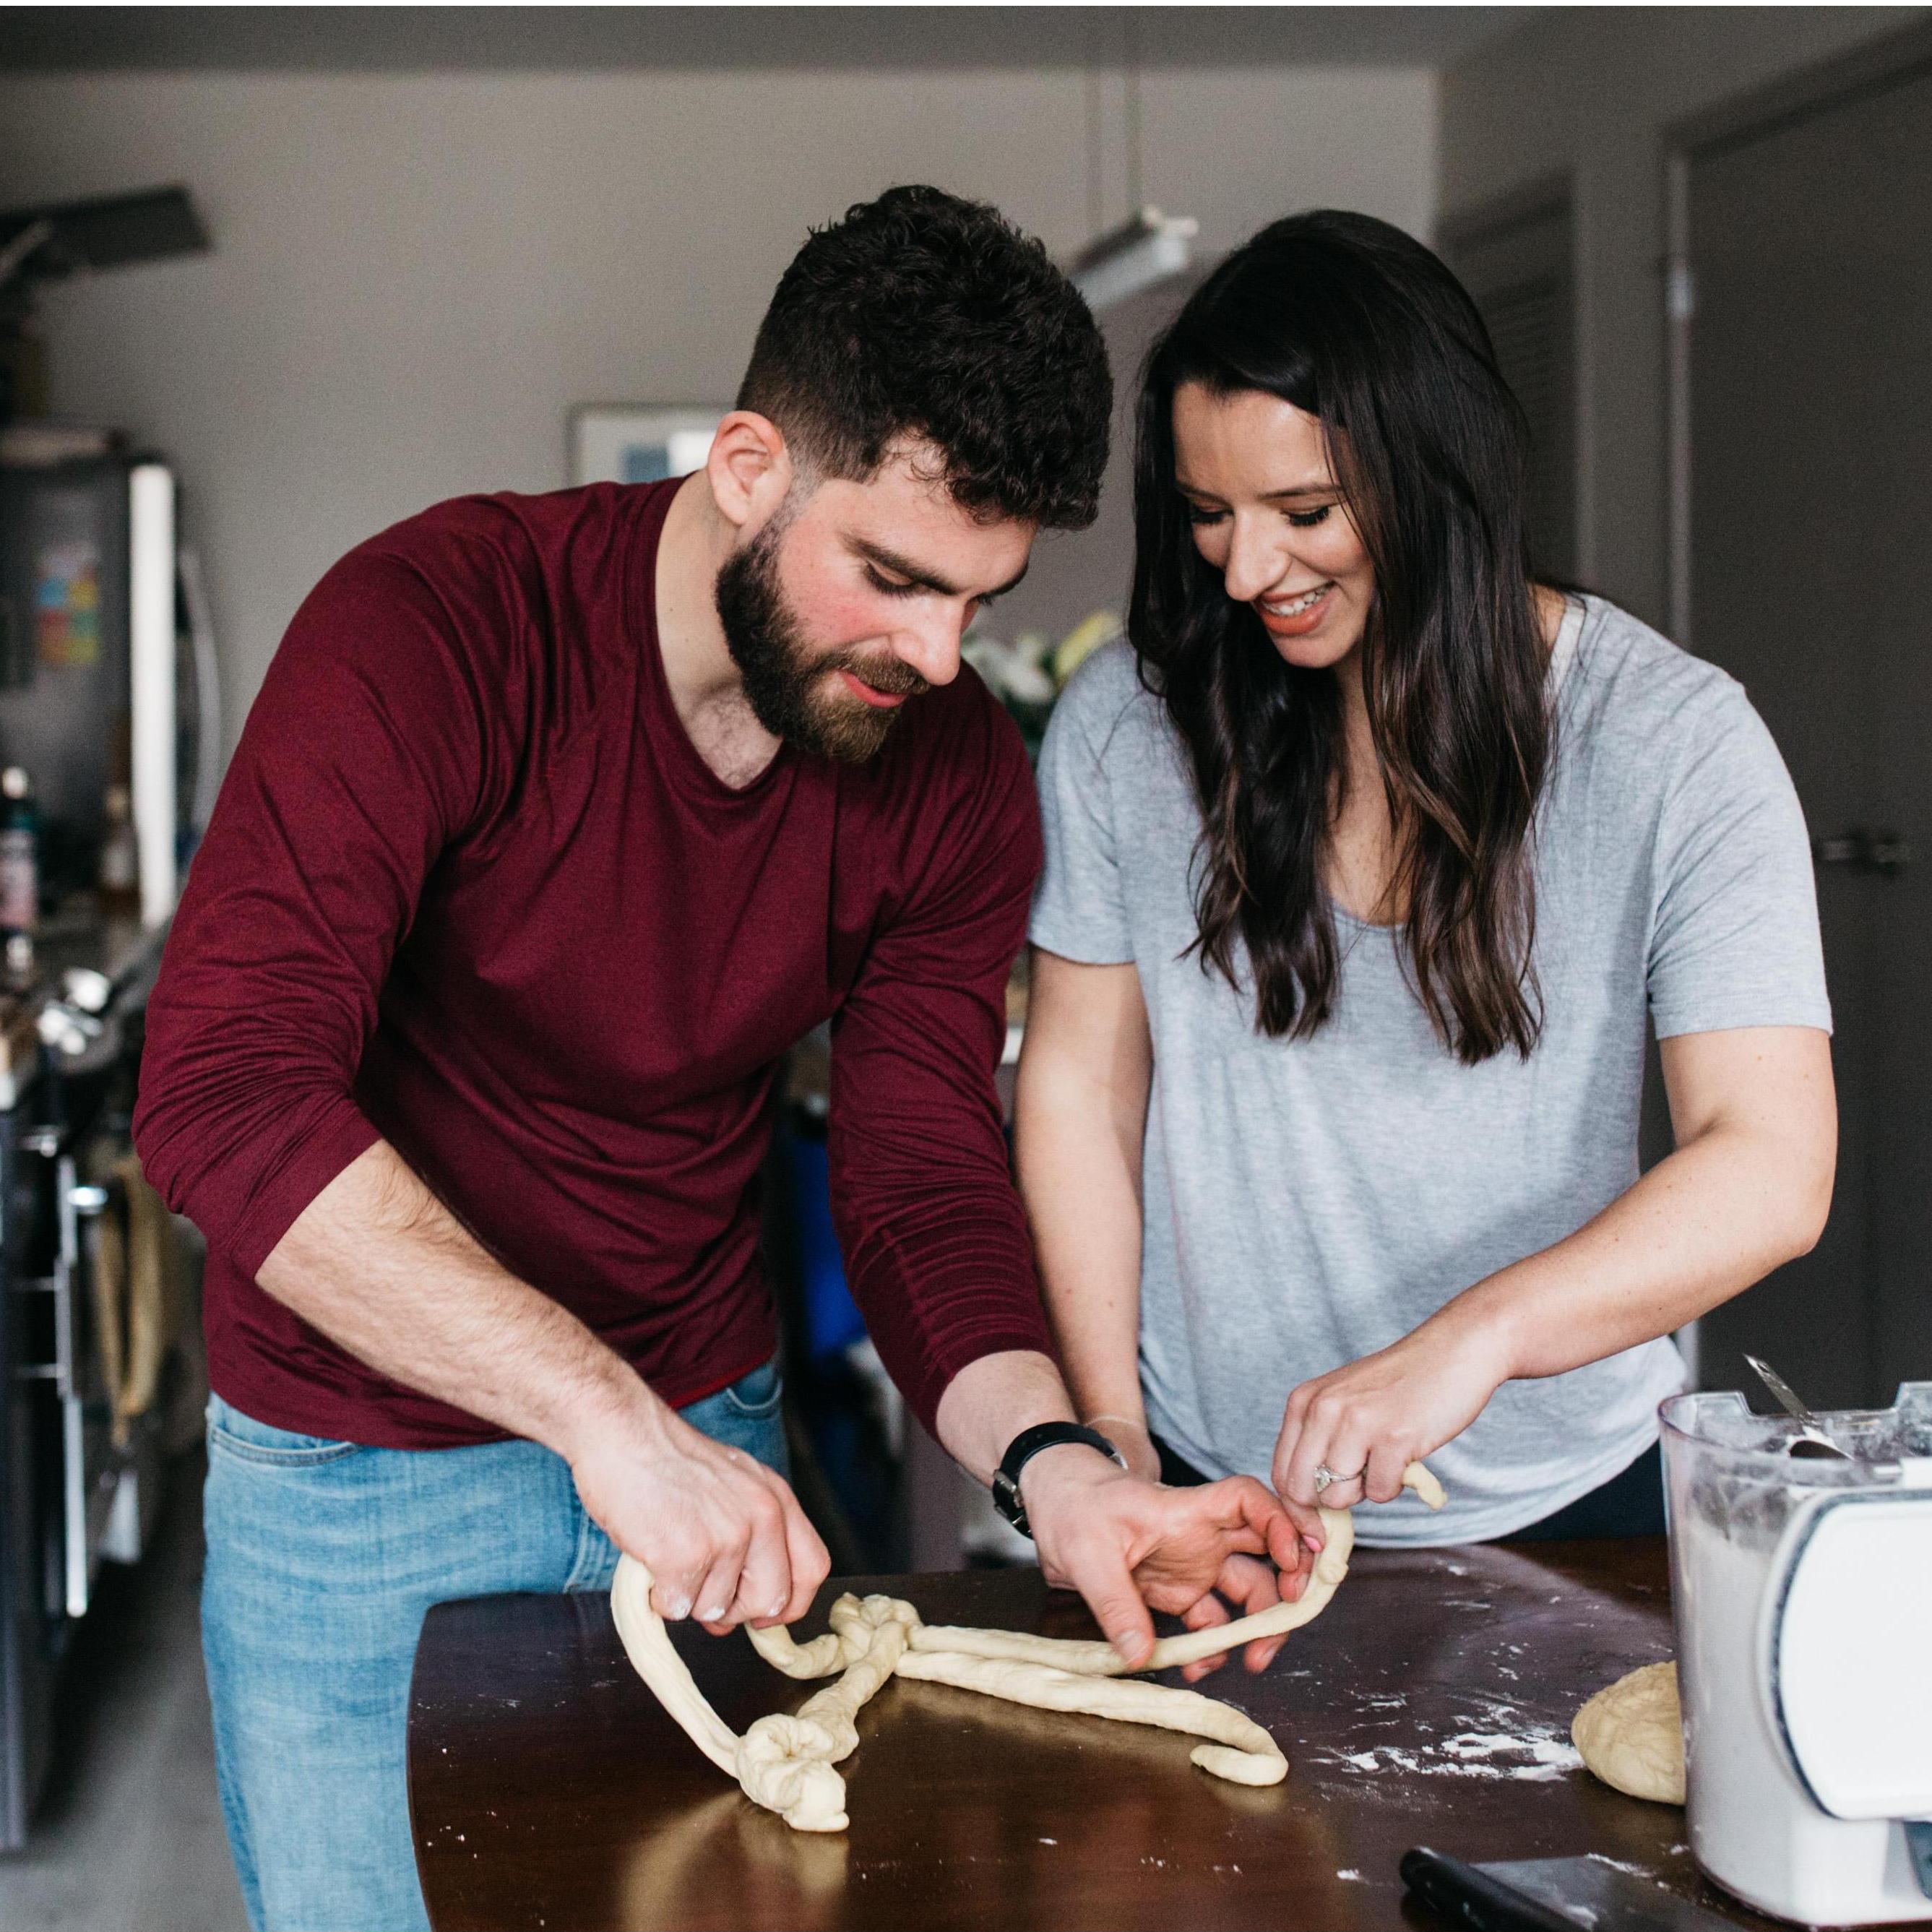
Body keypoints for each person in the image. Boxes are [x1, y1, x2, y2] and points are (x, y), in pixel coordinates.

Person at [134, 187, 1303, 1932]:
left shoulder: (948, 773)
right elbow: (223, 1089)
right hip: (362, 1467)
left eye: (975, 599)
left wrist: (1061, 1466)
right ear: (748, 464)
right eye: (892, 578)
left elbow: (915, 1176)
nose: (934, 655)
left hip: (708, 1447)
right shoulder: (432, 629)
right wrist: (602, 1419)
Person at [1017, 210, 1836, 1600]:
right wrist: (1113, 1432)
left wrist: (1478, 1336)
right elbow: (1082, 1083)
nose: (1244, 572)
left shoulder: (1675, 743)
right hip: (1214, 1491)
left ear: (1436, 476)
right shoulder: (1125, 723)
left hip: (1576, 1498)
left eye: (1304, 514)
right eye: (1209, 514)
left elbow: (1770, 1161)